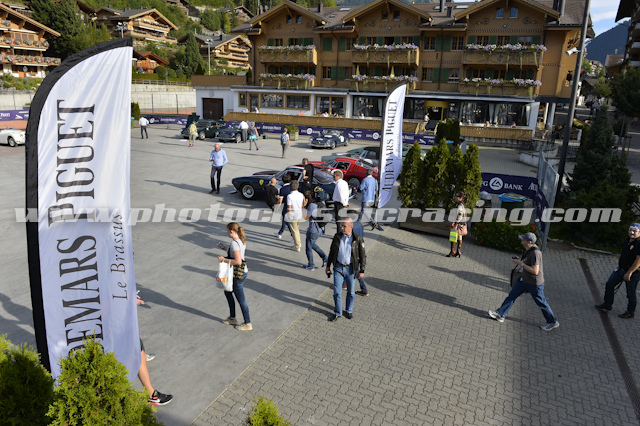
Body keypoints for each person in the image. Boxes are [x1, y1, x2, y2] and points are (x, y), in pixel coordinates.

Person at [488, 232, 559, 331]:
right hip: (524, 279)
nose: (521, 240)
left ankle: (552, 322)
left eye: (523, 239)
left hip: (534, 283)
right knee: (512, 296)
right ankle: (500, 314)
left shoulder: (535, 253)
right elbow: (526, 263)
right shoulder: (528, 249)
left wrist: (520, 263)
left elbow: (535, 271)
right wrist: (517, 270)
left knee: (541, 303)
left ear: (529, 242)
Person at [325, 217, 366, 322]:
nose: (342, 228)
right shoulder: (337, 237)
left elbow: (363, 256)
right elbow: (332, 252)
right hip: (338, 268)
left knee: (351, 292)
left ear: (351, 227)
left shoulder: (358, 239)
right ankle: (338, 313)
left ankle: (348, 310)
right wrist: (328, 266)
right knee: (337, 292)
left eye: (344, 226)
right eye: (341, 226)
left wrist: (362, 270)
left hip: (351, 269)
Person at [595, 223, 640, 319]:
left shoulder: (639, 243)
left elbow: (638, 260)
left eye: (635, 231)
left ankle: (630, 312)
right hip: (621, 269)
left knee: (630, 293)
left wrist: (629, 272)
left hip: (632, 273)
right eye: (630, 230)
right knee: (609, 284)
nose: (632, 233)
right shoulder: (627, 240)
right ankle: (607, 304)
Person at [136, 294, 173, 405]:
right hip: (117, 324)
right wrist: (128, 301)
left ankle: (151, 394)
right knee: (139, 356)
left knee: (140, 355)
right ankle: (151, 395)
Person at [218, 222, 252, 331]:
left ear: (232, 231)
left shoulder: (234, 243)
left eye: (227, 231)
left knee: (241, 299)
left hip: (237, 274)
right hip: (241, 272)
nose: (227, 233)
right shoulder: (240, 240)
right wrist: (225, 249)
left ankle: (247, 323)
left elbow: (238, 261)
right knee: (227, 292)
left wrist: (223, 260)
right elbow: (236, 253)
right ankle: (232, 317)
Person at [302, 190, 328, 271]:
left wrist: (303, 206)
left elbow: (305, 217)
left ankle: (311, 265)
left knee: (308, 248)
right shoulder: (322, 203)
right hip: (321, 228)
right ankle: (325, 258)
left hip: (313, 230)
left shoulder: (312, 205)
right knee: (312, 244)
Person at [286, 181, 305, 253]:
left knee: (294, 231)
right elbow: (302, 204)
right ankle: (298, 243)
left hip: (292, 215)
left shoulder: (289, 196)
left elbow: (289, 207)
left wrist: (288, 215)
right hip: (299, 214)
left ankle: (297, 246)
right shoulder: (301, 195)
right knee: (296, 229)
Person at [274, 174, 294, 241]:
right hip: (293, 206)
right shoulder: (292, 187)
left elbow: (280, 201)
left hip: (286, 207)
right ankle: (280, 233)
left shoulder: (282, 189)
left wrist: (276, 208)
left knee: (287, 222)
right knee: (284, 221)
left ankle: (293, 236)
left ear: (283, 181)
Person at [446, 191, 467, 257]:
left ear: (460, 197)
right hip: (462, 223)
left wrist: (456, 223)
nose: (455, 197)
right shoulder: (462, 204)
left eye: (456, 196)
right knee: (459, 236)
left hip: (458, 223)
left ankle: (452, 251)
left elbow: (460, 215)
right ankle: (458, 251)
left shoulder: (460, 205)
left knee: (453, 236)